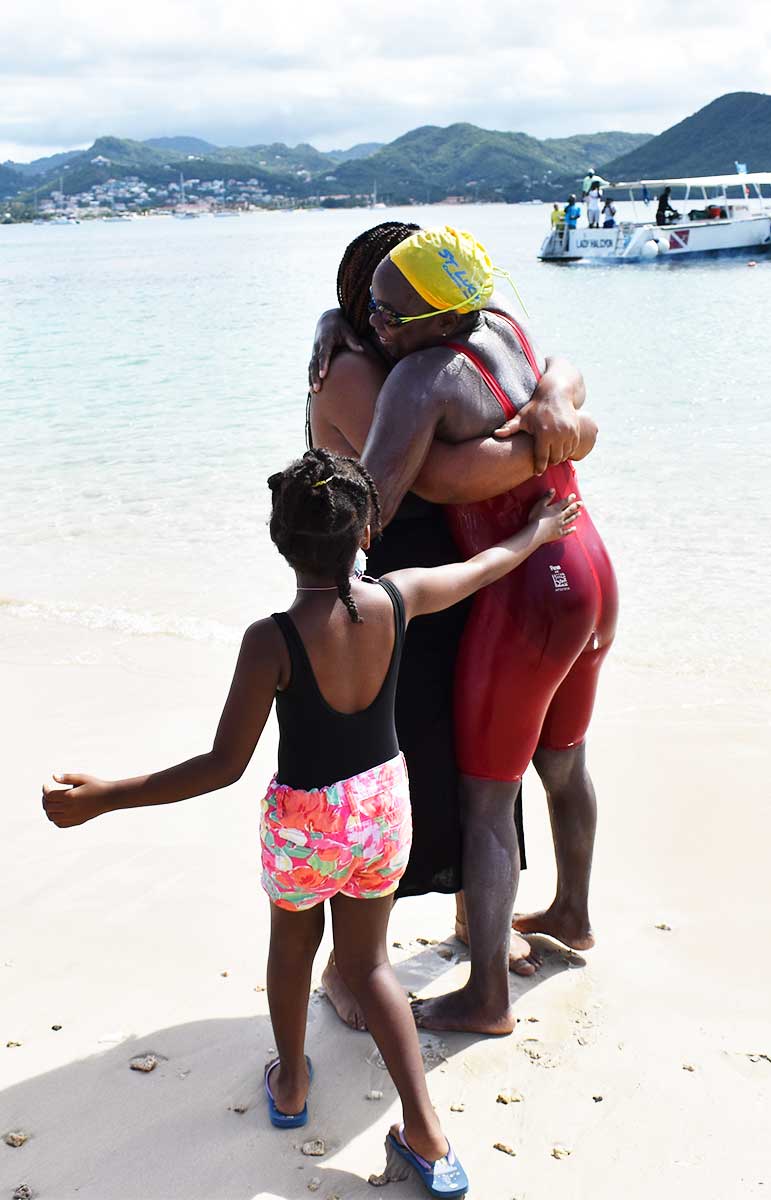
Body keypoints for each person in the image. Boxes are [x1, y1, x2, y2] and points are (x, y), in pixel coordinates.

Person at [43, 448, 583, 1197]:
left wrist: (106, 794)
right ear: (367, 531)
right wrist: (538, 532)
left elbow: (221, 766)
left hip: (306, 826)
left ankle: (292, 1083)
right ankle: (427, 1135)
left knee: (294, 952)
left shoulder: (272, 639)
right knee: (369, 967)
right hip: (382, 812)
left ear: (278, 539)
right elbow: (480, 569)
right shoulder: (399, 595)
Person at [307, 222, 590, 1030]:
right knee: (398, 777)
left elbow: (538, 355)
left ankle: (477, 922)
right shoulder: (361, 371)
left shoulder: (421, 354)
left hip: (469, 579)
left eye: (402, 305)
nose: (387, 319)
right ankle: (346, 965)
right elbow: (444, 476)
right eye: (376, 307)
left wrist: (555, 400)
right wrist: (556, 435)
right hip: (400, 585)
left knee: (478, 767)